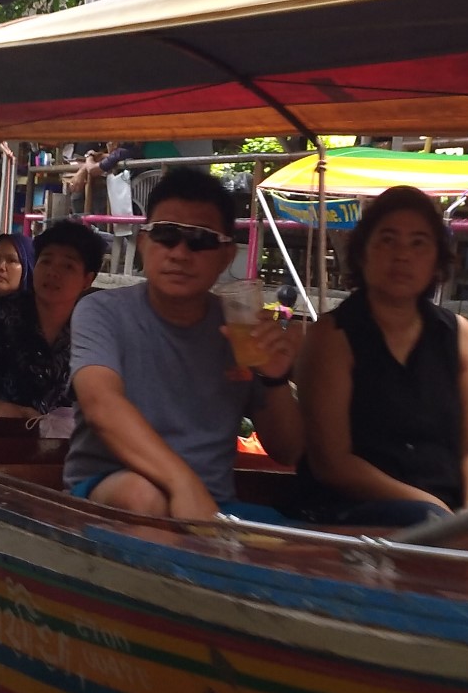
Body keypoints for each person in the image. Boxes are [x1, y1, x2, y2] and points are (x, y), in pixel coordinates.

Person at [66, 167, 302, 519]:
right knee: (144, 497)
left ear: (226, 255)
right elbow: (101, 405)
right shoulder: (102, 312)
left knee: (314, 542)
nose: (179, 253)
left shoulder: (240, 328)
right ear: (143, 242)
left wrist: (275, 378)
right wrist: (182, 484)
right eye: (166, 234)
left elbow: (288, 450)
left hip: (213, 507)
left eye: (200, 240)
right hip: (111, 494)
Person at [293, 185, 468, 528]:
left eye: (418, 243)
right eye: (388, 240)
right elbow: (332, 463)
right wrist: (431, 507)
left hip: (450, 512)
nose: (403, 255)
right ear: (363, 252)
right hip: (355, 510)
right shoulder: (331, 336)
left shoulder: (459, 335)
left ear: (436, 259)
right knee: (426, 520)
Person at [0, 221, 104, 418]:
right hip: (5, 428)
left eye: (67, 266)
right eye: (46, 261)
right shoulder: (0, 315)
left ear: (87, 280)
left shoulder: (95, 328)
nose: (52, 272)